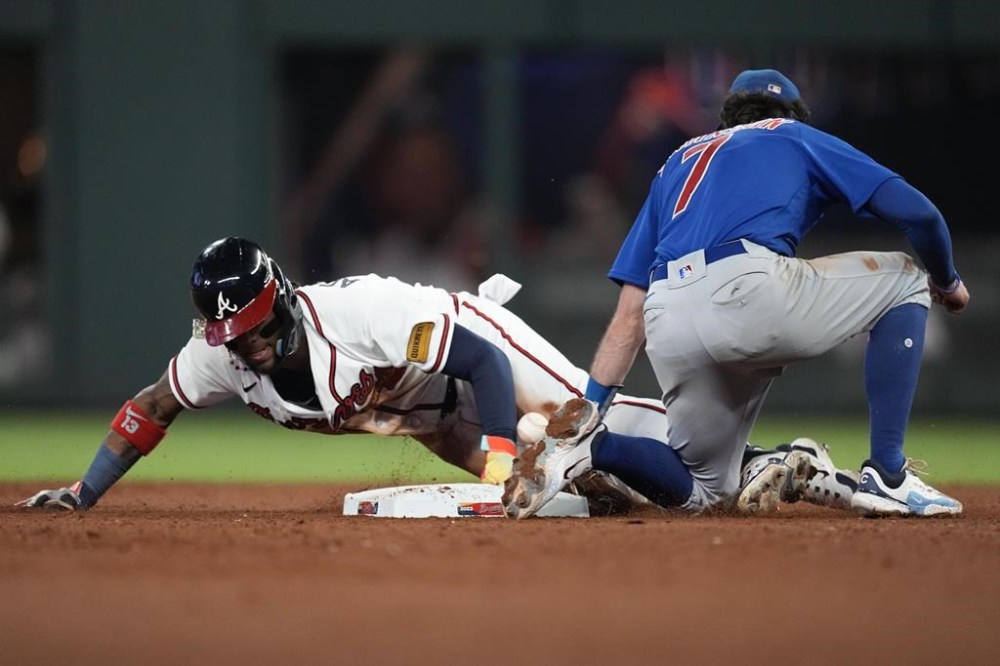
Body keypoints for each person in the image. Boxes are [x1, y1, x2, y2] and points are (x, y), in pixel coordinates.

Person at [502, 68, 969, 520]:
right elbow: (921, 215)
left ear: (726, 120)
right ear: (792, 114)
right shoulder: (792, 135)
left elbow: (628, 316)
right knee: (907, 276)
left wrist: (590, 409)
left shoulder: (675, 164)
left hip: (667, 312)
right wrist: (946, 282)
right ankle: (888, 473)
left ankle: (595, 447)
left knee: (706, 488)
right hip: (746, 290)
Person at [11, 236, 661, 513]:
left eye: (259, 329)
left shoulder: (362, 313)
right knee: (579, 490)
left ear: (283, 302)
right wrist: (82, 492)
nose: (251, 348)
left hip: (463, 339)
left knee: (578, 417)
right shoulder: (218, 357)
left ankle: (734, 464)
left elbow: (479, 361)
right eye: (236, 338)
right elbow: (153, 407)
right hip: (425, 416)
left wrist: (496, 454)